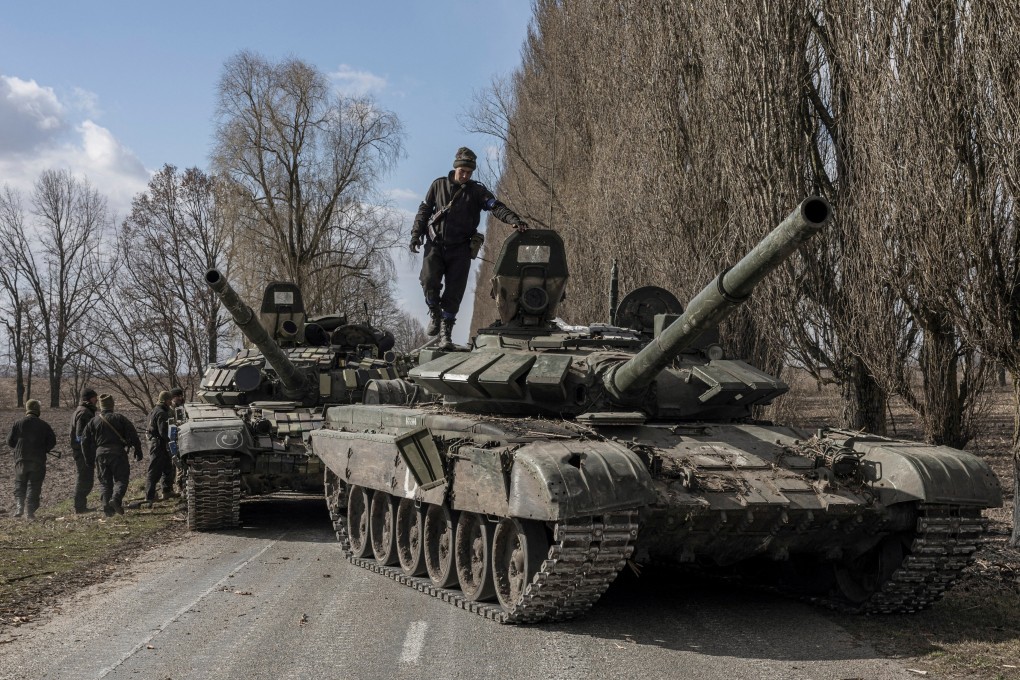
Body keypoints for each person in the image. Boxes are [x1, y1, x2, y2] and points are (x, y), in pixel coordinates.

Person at [410, 146, 529, 346]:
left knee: (454, 292)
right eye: (461, 171)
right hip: (435, 244)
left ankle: (446, 333)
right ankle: (434, 312)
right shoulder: (438, 185)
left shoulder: (477, 191)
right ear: (455, 168)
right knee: (429, 280)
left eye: (468, 172)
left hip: (460, 249)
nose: (464, 175)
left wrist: (513, 219)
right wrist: (415, 235)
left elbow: (495, 206)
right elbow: (423, 211)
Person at [80, 393, 143, 517]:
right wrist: (138, 450)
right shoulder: (120, 418)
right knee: (121, 479)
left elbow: (84, 441)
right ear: (112, 405)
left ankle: (107, 510)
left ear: (101, 406)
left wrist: (88, 459)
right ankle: (116, 499)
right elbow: (133, 434)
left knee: (104, 482)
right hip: (118, 453)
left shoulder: (93, 421)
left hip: (100, 455)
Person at [6, 399, 57, 520]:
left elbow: (9, 441)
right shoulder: (44, 425)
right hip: (37, 460)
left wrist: (19, 449)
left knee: (20, 482)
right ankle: (29, 512)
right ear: (37, 410)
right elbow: (52, 442)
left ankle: (19, 507)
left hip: (20, 460)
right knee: (34, 485)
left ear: (27, 409)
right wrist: (44, 448)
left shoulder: (18, 423)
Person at [69, 387, 99, 513]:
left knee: (87, 478)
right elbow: (80, 436)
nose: (96, 400)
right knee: (84, 479)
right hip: (82, 452)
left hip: (83, 451)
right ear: (89, 399)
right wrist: (89, 449)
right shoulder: (84, 413)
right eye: (94, 398)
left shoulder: (83, 411)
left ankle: (81, 506)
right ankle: (79, 507)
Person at [144, 391, 175, 504]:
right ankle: (149, 496)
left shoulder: (154, 410)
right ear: (165, 400)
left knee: (167, 467)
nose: (170, 402)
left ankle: (167, 491)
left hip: (157, 443)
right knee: (155, 471)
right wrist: (173, 437)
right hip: (158, 444)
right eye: (169, 400)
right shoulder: (162, 413)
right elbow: (163, 432)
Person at [167, 387, 186, 496]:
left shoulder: (182, 406)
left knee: (180, 464)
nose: (179, 398)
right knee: (175, 465)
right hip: (174, 438)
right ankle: (175, 487)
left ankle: (180, 486)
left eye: (180, 395)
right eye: (177, 396)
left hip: (182, 437)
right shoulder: (170, 409)